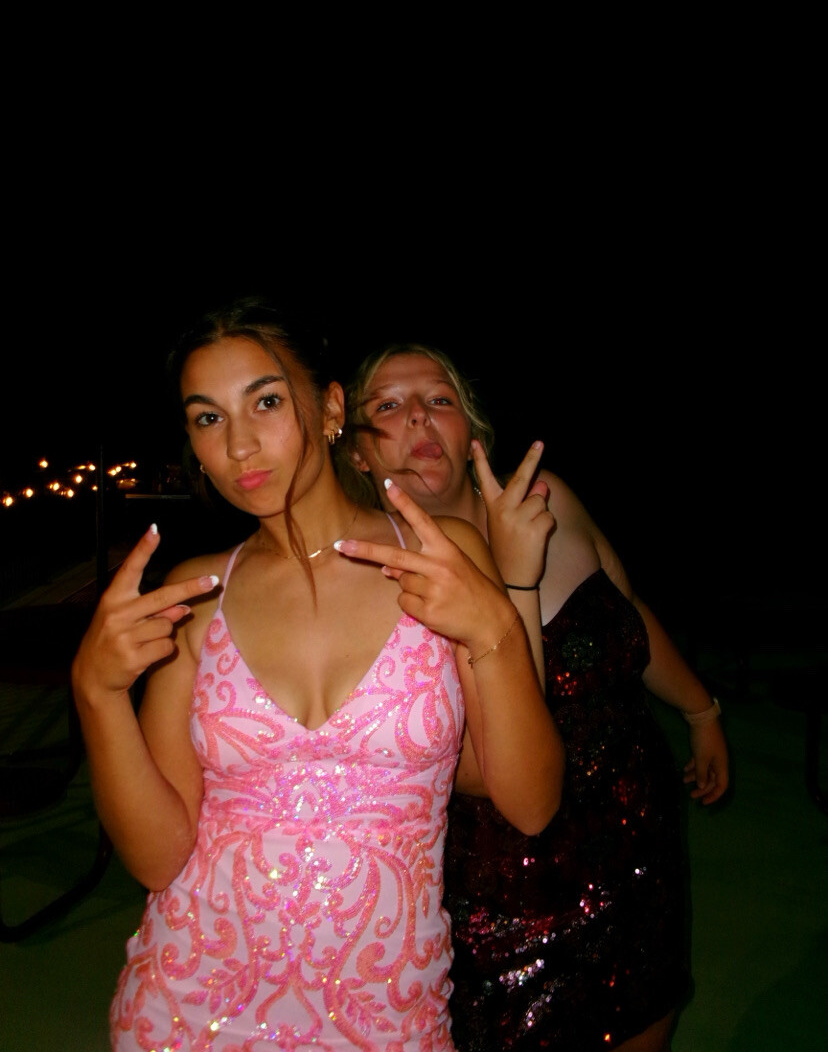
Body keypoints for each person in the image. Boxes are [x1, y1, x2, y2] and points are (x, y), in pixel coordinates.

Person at [70, 299, 564, 1052]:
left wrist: (494, 627)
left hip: (389, 1014)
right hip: (186, 1007)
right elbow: (158, 857)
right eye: (207, 418)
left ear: (332, 408)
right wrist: (97, 691)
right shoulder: (197, 595)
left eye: (266, 402)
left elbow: (530, 805)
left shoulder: (442, 555)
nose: (239, 444)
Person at [337, 342, 730, 1052]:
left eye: (440, 399)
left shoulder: (547, 500)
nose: (419, 416)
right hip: (509, 891)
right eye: (388, 406)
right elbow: (497, 753)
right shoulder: (371, 579)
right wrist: (516, 578)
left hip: (638, 835)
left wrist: (702, 713)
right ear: (359, 456)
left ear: (471, 432)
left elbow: (628, 615)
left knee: (650, 1016)